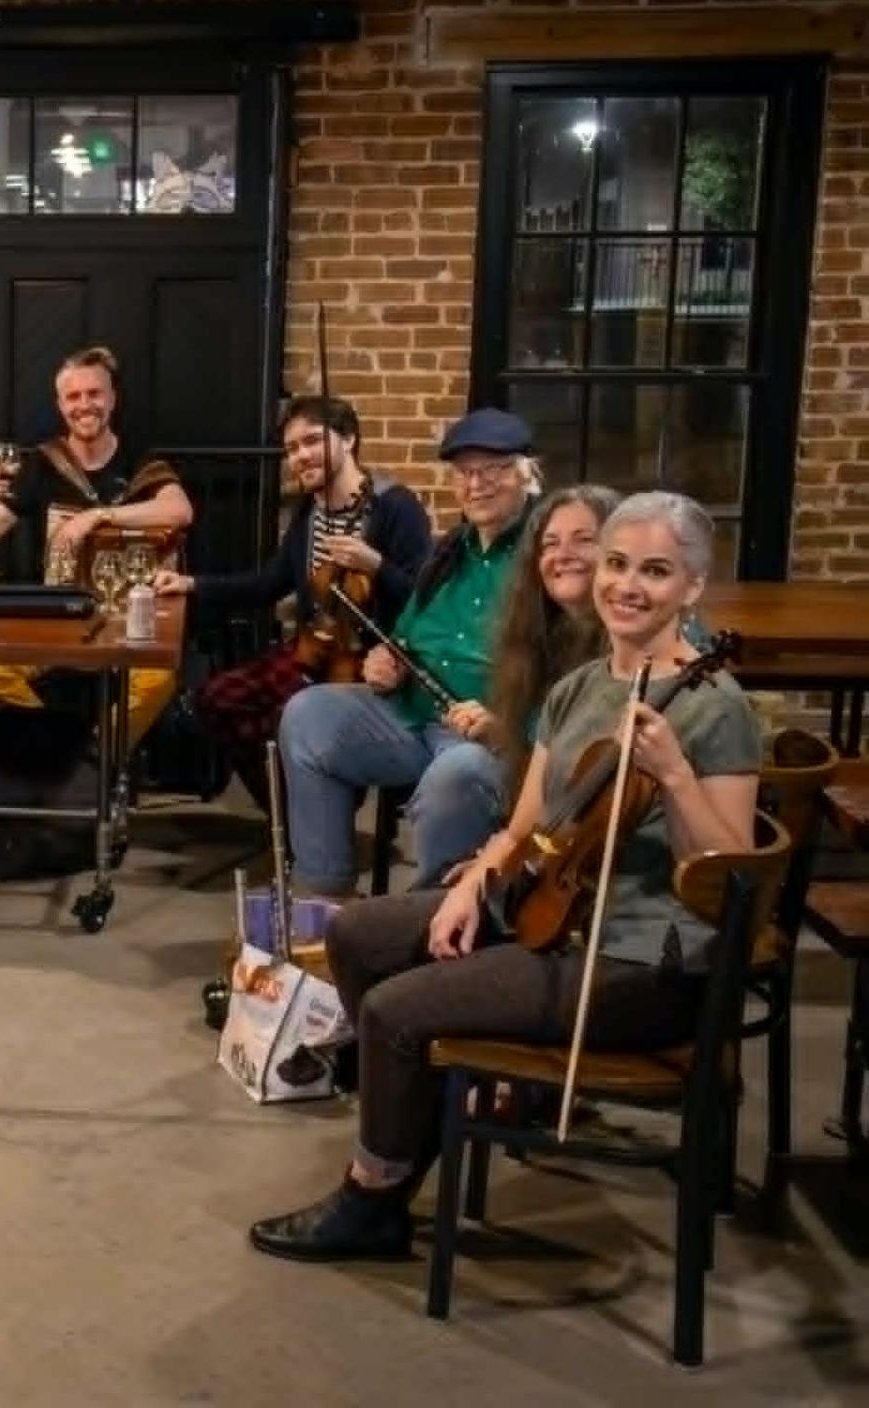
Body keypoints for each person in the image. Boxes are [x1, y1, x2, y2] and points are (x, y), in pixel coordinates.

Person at [248, 490, 760, 1261]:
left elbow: (723, 874)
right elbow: (522, 828)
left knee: (392, 1012)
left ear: (691, 587)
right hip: (549, 909)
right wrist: (467, 883)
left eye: (656, 571)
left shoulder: (715, 709)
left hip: (636, 960)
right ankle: (416, 1125)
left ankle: (376, 1193)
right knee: (359, 935)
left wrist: (677, 777)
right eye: (617, 564)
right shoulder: (582, 689)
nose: (627, 585)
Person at [276, 407, 539, 895]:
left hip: (485, 738)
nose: (476, 484)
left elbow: (572, 670)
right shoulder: (451, 550)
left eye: (494, 470)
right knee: (308, 714)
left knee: (457, 775)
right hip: (411, 715)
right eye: (465, 473)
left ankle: (433, 919)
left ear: (527, 472)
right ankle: (324, 895)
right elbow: (407, 630)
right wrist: (387, 658)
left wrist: (509, 721)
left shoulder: (545, 554)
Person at [152, 394, 431, 810]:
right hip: (310, 652)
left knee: (295, 724)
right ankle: (285, 811)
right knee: (214, 700)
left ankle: (322, 811)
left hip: (369, 664)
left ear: (349, 439)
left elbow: (424, 601)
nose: (300, 456)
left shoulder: (394, 506)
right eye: (292, 449)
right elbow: (268, 583)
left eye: (311, 442)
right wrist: (191, 584)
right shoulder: (311, 511)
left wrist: (375, 565)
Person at [0, 344, 196, 745]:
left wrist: (99, 516)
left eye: (94, 394)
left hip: (128, 622)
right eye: (73, 396)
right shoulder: (42, 464)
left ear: (112, 399)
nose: (84, 405)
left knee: (157, 680)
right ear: (60, 404)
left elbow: (180, 510)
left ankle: (93, 760)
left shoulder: (139, 458)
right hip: (60, 620)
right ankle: (59, 750)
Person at [484, 483, 620, 779]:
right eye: (549, 544)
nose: (563, 555)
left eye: (584, 540)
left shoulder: (633, 640)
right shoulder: (538, 632)